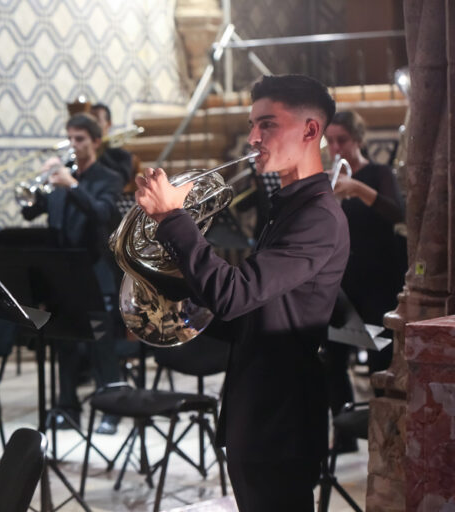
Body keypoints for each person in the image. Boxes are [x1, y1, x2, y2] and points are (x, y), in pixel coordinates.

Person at [134, 75, 349, 511]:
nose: (253, 137)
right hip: (257, 411)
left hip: (282, 418)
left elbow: (236, 294)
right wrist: (158, 282)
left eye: (267, 124)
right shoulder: (288, 208)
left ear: (311, 131)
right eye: (253, 124)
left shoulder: (318, 217)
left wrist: (175, 219)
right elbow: (251, 312)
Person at [22, 113, 124, 435]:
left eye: (80, 139)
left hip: (95, 273)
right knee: (63, 342)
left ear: (96, 142)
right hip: (61, 273)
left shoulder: (108, 177)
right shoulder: (60, 179)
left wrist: (73, 185)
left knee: (100, 344)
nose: (74, 145)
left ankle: (111, 406)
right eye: (70, 138)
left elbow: (103, 214)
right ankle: (67, 408)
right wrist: (38, 188)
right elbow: (29, 212)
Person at [324, 110, 405, 432]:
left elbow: (397, 212)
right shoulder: (328, 178)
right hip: (344, 281)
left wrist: (357, 188)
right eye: (330, 141)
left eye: (341, 140)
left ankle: (383, 430)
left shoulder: (377, 173)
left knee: (381, 356)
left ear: (357, 139)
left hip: (379, 279)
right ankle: (342, 429)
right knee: (333, 355)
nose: (335, 148)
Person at [90, 102, 134, 185]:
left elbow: (120, 180)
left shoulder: (123, 156)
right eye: (90, 121)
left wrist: (100, 150)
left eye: (96, 120)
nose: (92, 126)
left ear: (109, 124)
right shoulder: (81, 152)